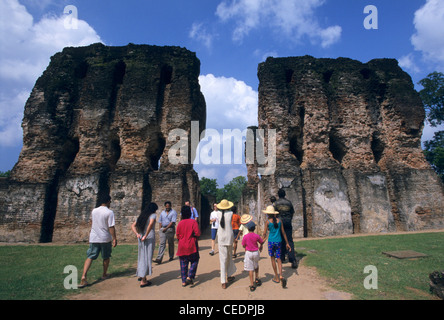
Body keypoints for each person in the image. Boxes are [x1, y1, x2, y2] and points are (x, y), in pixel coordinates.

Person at [79, 194, 117, 288]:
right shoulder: (109, 212)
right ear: (108, 201)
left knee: (90, 256)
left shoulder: (94, 211)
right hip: (105, 238)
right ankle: (104, 274)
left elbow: (92, 222)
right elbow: (111, 226)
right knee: (106, 257)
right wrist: (114, 238)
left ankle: (84, 275)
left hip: (94, 237)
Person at [262, 205, 291, 288]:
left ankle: (276, 276)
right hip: (279, 241)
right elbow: (283, 232)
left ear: (268, 214)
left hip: (271, 242)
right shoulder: (280, 221)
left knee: (272, 258)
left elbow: (264, 234)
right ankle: (281, 275)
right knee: (279, 259)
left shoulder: (267, 222)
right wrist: (287, 243)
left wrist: (261, 243)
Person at [131, 203, 158, 288]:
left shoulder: (142, 216)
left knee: (142, 257)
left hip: (141, 238)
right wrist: (146, 235)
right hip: (148, 238)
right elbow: (151, 224)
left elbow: (133, 225)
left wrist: (137, 234)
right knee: (147, 258)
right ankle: (143, 280)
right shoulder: (153, 215)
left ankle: (141, 275)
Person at [176, 205, 201, 287]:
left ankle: (183, 281)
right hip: (192, 245)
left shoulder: (180, 223)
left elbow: (178, 235)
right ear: (190, 213)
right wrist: (193, 236)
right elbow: (197, 233)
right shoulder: (193, 222)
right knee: (195, 260)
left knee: (183, 263)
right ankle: (190, 276)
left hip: (182, 246)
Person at [274, 189, 297, 269]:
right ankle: (292, 259)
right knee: (289, 240)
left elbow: (274, 215)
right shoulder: (289, 203)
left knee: (281, 240)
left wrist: (275, 223)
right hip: (287, 222)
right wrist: (289, 219)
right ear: (285, 194)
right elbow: (292, 213)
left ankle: (282, 257)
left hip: (280, 222)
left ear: (278, 195)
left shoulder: (276, 203)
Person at [216, 199, 237, 289]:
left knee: (223, 260)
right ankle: (228, 275)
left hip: (221, 238)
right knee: (229, 257)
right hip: (229, 237)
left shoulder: (217, 213)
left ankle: (223, 281)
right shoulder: (231, 213)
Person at [241, 221, 264, 292]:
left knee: (250, 269)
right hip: (256, 252)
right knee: (256, 265)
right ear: (254, 228)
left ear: (247, 228)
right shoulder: (256, 236)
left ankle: (252, 284)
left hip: (248, 253)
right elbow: (261, 242)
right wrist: (261, 246)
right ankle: (256, 278)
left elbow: (243, 245)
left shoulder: (245, 236)